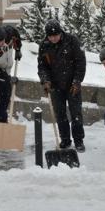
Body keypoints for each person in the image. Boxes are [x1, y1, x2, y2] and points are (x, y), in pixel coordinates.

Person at [38, 19, 86, 152]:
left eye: (55, 35)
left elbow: (80, 62)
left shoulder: (72, 41)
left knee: (76, 113)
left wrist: (77, 81)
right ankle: (65, 139)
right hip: (55, 85)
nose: (53, 38)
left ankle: (78, 140)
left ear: (60, 33)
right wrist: (45, 80)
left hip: (72, 84)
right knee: (60, 113)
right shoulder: (44, 45)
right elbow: (42, 67)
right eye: (50, 36)